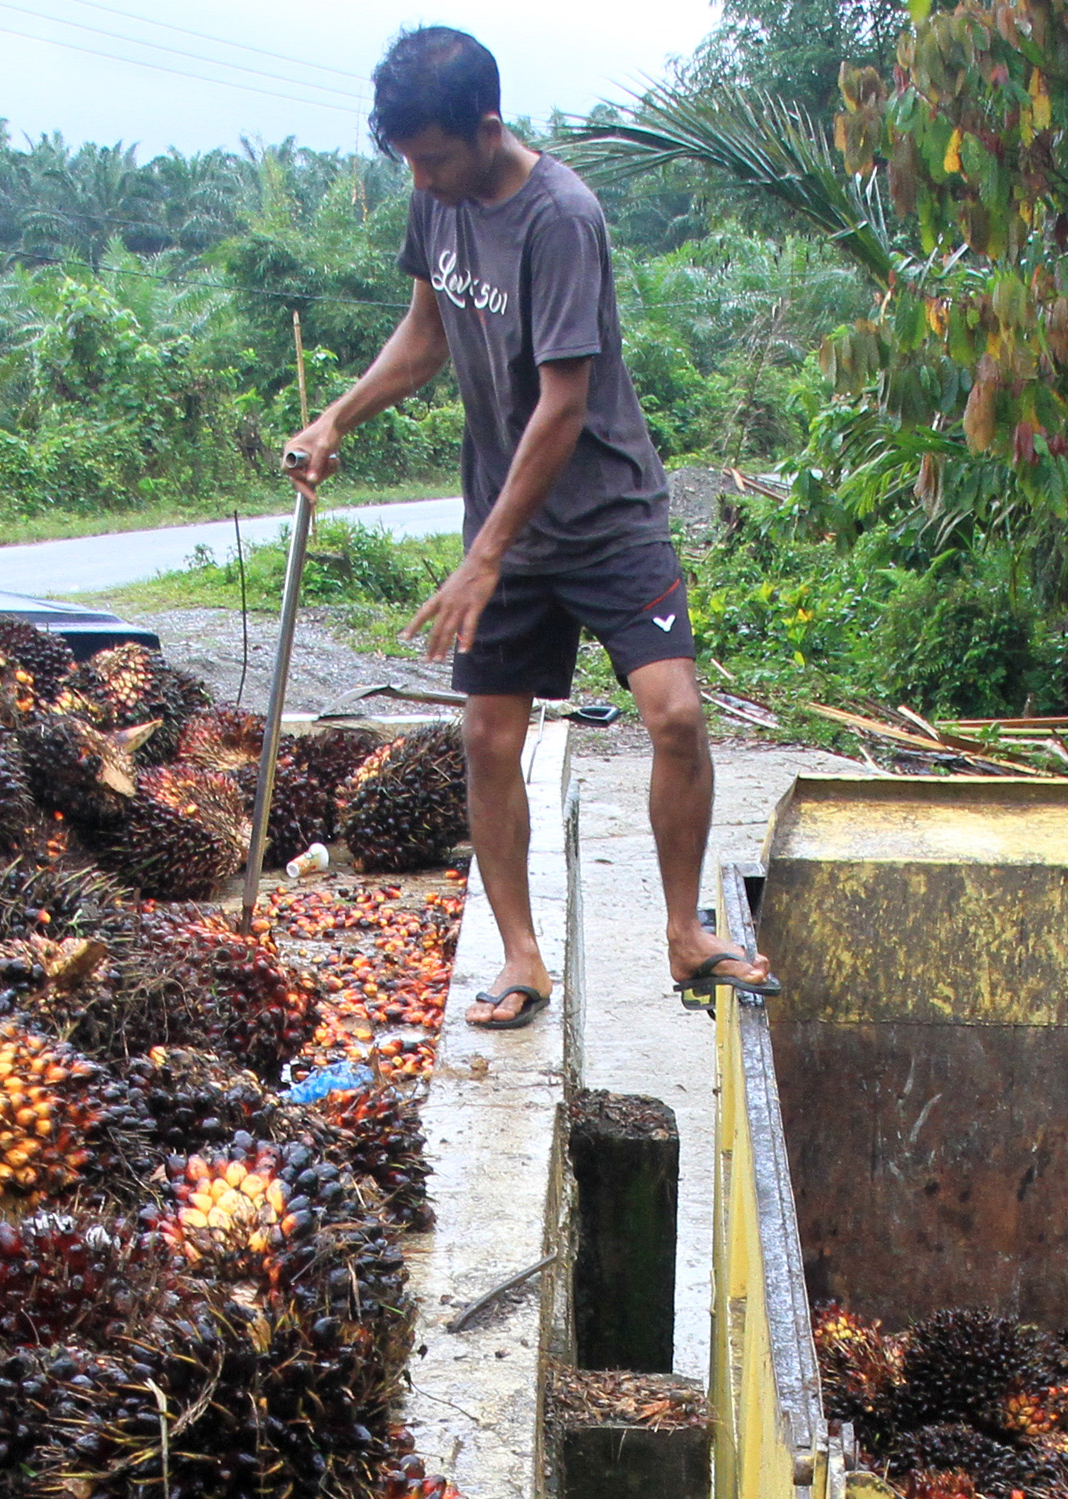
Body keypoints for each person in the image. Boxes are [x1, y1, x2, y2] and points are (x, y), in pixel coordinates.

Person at [281, 25, 778, 1030]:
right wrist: (337, 417)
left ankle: (684, 933)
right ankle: (520, 957)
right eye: (409, 161)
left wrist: (483, 557)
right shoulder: (436, 197)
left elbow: (561, 405)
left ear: (488, 127)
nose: (421, 179)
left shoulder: (561, 217)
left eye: (433, 158)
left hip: (605, 516)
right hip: (501, 523)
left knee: (675, 716)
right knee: (487, 735)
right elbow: (425, 335)